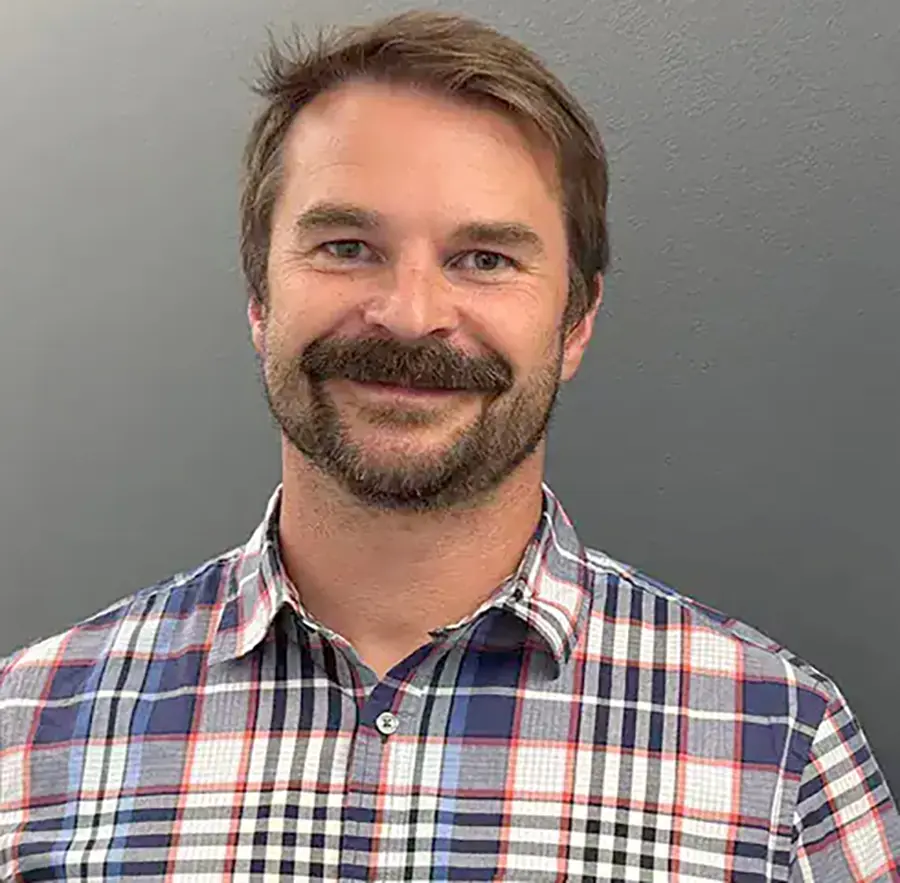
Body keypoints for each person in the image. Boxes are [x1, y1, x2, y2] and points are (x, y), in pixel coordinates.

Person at [0, 10, 897, 882]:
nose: (412, 312)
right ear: (260, 299)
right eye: (347, 246)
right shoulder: (28, 732)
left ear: (576, 321)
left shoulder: (778, 747)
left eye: (485, 260)